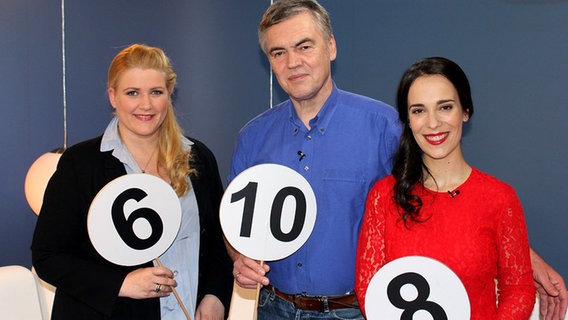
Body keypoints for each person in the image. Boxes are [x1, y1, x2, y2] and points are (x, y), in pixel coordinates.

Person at [228, 1, 566, 319]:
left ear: (330, 47)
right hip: (274, 307)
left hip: (355, 311)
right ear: (269, 61)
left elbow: (450, 196)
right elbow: (235, 227)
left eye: (305, 46)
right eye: (278, 52)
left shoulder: (385, 126)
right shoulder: (252, 138)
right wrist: (238, 257)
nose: (293, 62)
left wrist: (524, 258)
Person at [31, 44, 232, 320]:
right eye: (132, 93)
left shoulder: (198, 158)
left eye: (156, 92)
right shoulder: (80, 164)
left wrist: (215, 297)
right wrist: (121, 284)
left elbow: (218, 246)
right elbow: (47, 257)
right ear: (113, 96)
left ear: (169, 94)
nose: (145, 105)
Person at [354, 57, 536, 319]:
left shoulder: (500, 199)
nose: (433, 123)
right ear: (408, 120)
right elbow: (369, 289)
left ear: (465, 111)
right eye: (419, 110)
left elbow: (519, 289)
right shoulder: (383, 196)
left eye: (445, 107)